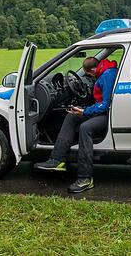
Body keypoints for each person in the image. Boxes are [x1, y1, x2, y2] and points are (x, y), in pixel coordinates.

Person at [34, 56, 118, 193]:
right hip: (102, 111)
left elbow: (104, 105)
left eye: (89, 74)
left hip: (107, 114)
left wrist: (85, 111)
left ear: (93, 70)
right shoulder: (104, 71)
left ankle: (85, 178)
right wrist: (81, 110)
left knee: (86, 128)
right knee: (71, 116)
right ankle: (57, 160)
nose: (90, 76)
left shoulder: (107, 76)